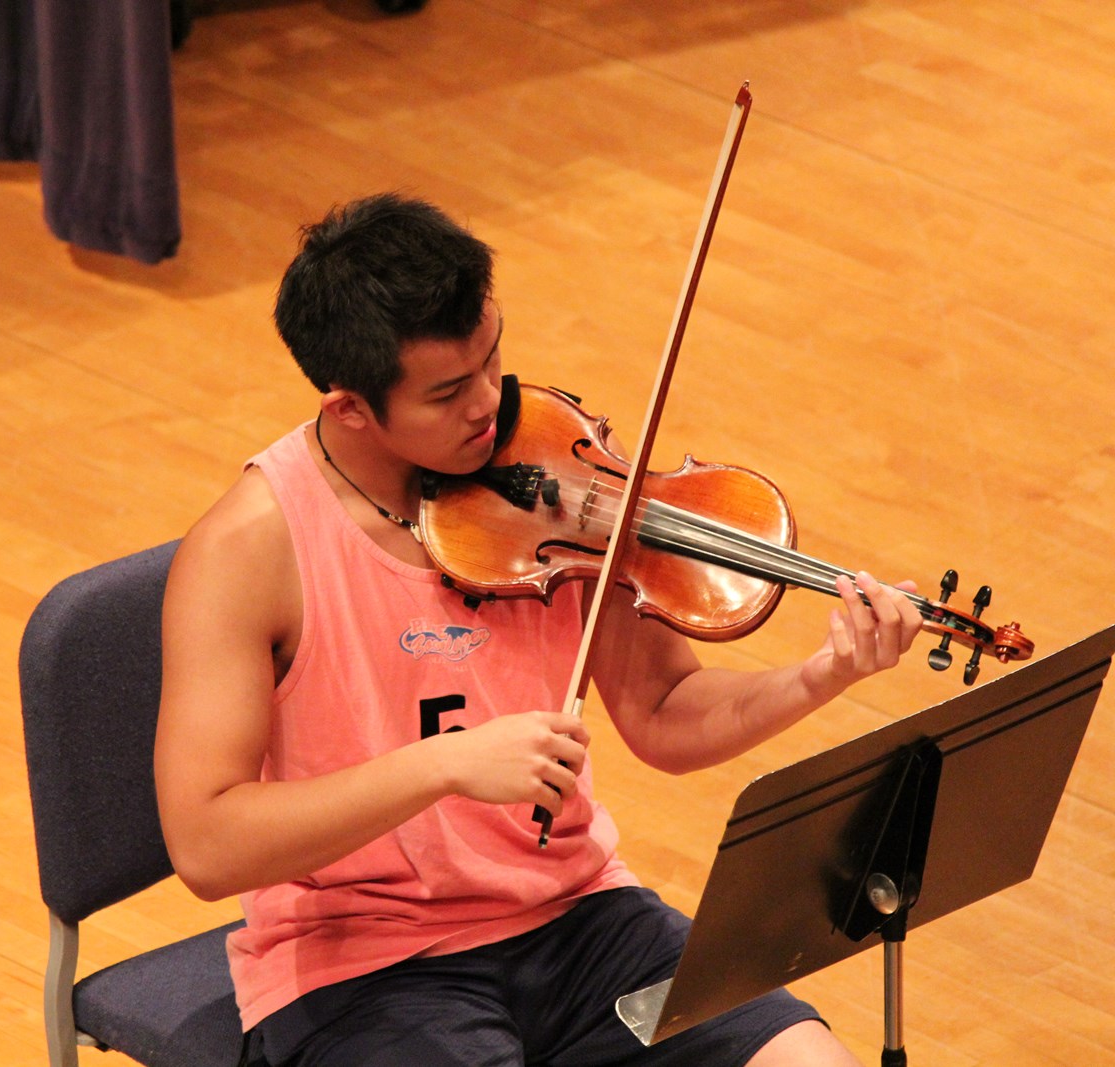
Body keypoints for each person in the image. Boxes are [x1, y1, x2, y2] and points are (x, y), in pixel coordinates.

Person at [153, 192, 923, 1066]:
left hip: (583, 920)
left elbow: (665, 711)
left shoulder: (554, 474)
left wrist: (821, 674)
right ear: (350, 409)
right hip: (362, 966)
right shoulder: (247, 553)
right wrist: (444, 765)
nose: (490, 405)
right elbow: (206, 844)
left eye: (493, 359)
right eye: (448, 393)